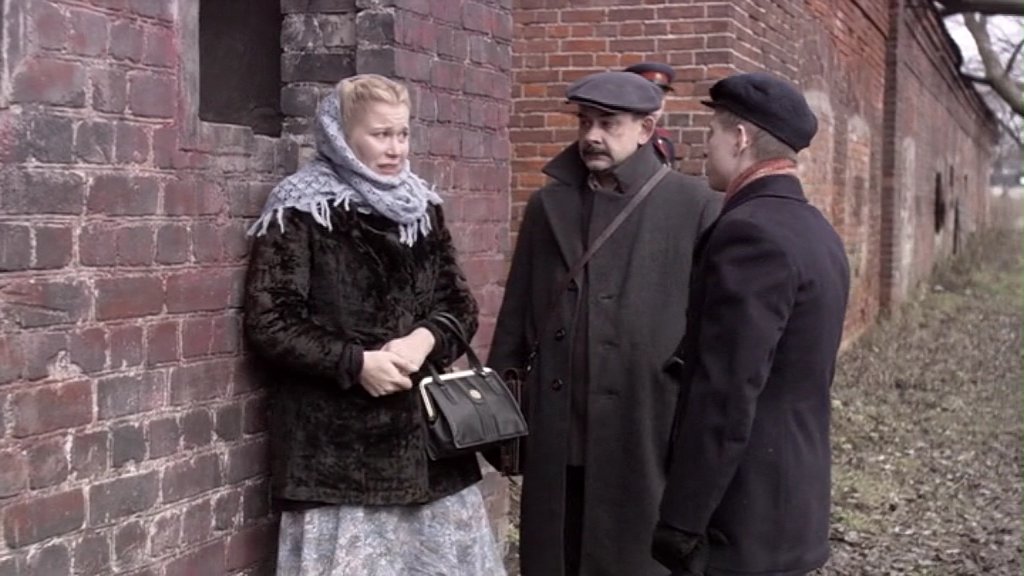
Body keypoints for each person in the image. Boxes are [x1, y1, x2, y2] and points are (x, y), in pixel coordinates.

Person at [243, 74, 505, 576]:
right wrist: (356, 363)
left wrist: (424, 339)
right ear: (342, 135)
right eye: (381, 134)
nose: (396, 148)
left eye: (402, 133)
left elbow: (459, 304)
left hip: (427, 446)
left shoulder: (420, 206)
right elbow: (271, 320)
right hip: (336, 453)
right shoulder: (301, 208)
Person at [488, 71, 721, 576]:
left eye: (608, 123)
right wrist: (503, 412)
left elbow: (714, 334)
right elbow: (516, 317)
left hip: (645, 426)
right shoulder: (547, 206)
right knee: (557, 555)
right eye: (585, 122)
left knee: (633, 557)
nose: (592, 135)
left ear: (645, 129)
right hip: (558, 426)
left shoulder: (696, 206)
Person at [652, 72, 851, 576]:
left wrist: (682, 520)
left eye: (713, 132)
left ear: (739, 138)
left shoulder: (750, 234)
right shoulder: (817, 231)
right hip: (792, 498)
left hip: (742, 513)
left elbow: (726, 392)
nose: (706, 147)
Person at [624, 62, 678, 166]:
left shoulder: (664, 142)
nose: (656, 102)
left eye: (661, 95)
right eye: (646, 94)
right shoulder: (617, 139)